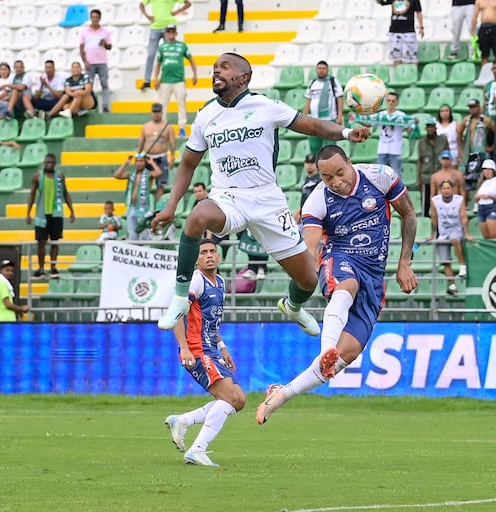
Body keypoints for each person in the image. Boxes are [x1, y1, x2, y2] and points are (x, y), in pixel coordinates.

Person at [151, 52, 372, 336]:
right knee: (197, 216)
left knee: (308, 279)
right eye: (214, 68)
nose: (216, 71)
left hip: (267, 200)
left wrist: (345, 132)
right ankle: (181, 297)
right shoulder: (206, 114)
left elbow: (313, 125)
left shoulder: (265, 106)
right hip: (228, 197)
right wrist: (170, 206)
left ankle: (292, 306)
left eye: (225, 67)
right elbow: (188, 164)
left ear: (244, 77)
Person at [255, 145, 417, 425]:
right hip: (340, 258)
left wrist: (404, 263)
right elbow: (310, 247)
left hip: (375, 276)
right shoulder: (317, 201)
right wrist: (308, 270)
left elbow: (409, 214)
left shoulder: (380, 177)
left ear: (350, 162)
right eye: (327, 177)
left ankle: (281, 395)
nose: (336, 182)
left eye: (340, 173)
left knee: (349, 353)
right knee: (347, 285)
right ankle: (326, 347)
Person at [164, 238, 245, 467]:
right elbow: (177, 313)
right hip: (197, 350)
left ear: (219, 256)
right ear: (196, 260)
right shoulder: (195, 281)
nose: (209, 255)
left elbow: (211, 321)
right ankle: (197, 450)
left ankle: (182, 420)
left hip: (212, 349)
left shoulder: (219, 281)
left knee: (238, 400)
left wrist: (222, 347)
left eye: (212, 251)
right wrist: (184, 348)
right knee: (228, 398)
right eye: (203, 253)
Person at [26, 154, 75, 278]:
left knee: (55, 241)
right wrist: (28, 212)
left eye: (51, 162)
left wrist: (71, 210)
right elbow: (32, 194)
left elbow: (66, 193)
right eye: (47, 162)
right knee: (41, 242)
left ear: (55, 163)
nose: (49, 164)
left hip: (56, 212)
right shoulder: (37, 176)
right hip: (41, 213)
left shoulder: (60, 176)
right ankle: (41, 268)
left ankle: (53, 267)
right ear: (44, 163)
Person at [154, 24, 198, 138]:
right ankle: (162, 129)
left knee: (181, 103)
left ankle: (182, 128)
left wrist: (195, 74)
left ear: (176, 33)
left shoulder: (182, 46)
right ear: (166, 33)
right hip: (165, 80)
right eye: (168, 32)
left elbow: (191, 60)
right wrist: (155, 78)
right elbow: (158, 64)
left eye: (172, 31)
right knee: (163, 105)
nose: (171, 34)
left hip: (179, 80)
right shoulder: (162, 47)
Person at [428, 179, 472, 294]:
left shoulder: (459, 200)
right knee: (445, 260)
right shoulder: (435, 201)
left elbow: (463, 217)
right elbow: (434, 217)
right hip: (443, 233)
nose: (446, 191)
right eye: (444, 188)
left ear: (452, 189)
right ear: (440, 190)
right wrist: (432, 233)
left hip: (456, 230)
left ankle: (462, 266)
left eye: (448, 188)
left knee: (454, 239)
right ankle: (452, 285)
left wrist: (466, 233)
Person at [140, 0, 192, 91]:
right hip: (155, 26)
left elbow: (188, 3)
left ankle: (166, 79)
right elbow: (141, 5)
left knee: (168, 54)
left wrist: (176, 12)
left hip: (168, 26)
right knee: (151, 55)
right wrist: (147, 16)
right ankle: (147, 80)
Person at [113, 153, 160, 241]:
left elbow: (158, 173)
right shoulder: (131, 175)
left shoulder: (149, 174)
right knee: (132, 234)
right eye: (137, 161)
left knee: (144, 234)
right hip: (132, 207)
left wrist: (152, 162)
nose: (139, 163)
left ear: (145, 162)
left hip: (143, 207)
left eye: (141, 161)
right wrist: (126, 163)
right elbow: (117, 175)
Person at [136, 103, 175, 203]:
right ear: (151, 113)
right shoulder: (145, 126)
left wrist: (172, 157)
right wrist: (138, 156)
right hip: (148, 157)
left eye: (158, 112)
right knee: (145, 183)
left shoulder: (167, 127)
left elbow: (172, 143)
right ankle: (145, 204)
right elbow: (141, 141)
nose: (156, 114)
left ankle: (157, 208)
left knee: (160, 184)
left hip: (161, 157)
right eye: (154, 112)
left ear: (162, 113)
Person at [303, 61, 344, 156]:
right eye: (319, 68)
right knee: (314, 148)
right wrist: (303, 117)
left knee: (330, 148)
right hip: (315, 120)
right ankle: (316, 168)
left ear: (327, 70)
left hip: (330, 119)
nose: (321, 71)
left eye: (323, 68)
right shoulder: (312, 83)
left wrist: (340, 116)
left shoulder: (333, 82)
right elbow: (308, 100)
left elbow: (340, 98)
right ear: (316, 70)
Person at [457, 98, 495, 193]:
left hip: (482, 151)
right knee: (465, 177)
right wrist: (461, 149)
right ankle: (465, 203)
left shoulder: (486, 120)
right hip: (470, 151)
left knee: (482, 176)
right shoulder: (466, 120)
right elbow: (459, 133)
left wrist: (492, 147)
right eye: (470, 107)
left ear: (479, 107)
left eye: (474, 107)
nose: (472, 109)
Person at [80, 9, 113, 113]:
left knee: (104, 85)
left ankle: (105, 106)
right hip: (90, 62)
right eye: (93, 17)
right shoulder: (85, 32)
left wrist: (105, 44)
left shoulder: (105, 32)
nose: (95, 19)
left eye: (96, 17)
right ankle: (91, 106)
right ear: (90, 18)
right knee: (89, 87)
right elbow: (81, 48)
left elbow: (109, 47)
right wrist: (85, 61)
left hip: (102, 62)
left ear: (99, 18)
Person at [417, 117, 449, 216]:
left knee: (441, 204)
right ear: (426, 128)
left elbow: (447, 157)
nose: (430, 129)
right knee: (425, 205)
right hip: (426, 177)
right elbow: (420, 161)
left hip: (440, 176)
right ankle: (426, 224)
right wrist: (419, 178)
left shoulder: (443, 140)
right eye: (428, 127)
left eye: (432, 126)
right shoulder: (421, 142)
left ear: (435, 127)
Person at [377, 0, 424, 66]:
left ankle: (412, 74)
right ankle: (398, 75)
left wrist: (421, 27)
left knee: (412, 58)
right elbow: (381, 2)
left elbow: (418, 12)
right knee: (396, 58)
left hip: (408, 32)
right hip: (394, 31)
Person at [470, 0, 496, 66]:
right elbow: (475, 16)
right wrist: (472, 30)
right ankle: (484, 74)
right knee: (484, 56)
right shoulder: (479, 1)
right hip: (484, 28)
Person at [474, 158, 496, 239]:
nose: (487, 172)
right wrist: (477, 197)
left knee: (494, 236)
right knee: (486, 237)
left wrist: (490, 197)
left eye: (489, 170)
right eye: (485, 170)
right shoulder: (482, 183)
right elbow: (476, 197)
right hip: (481, 208)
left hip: (492, 207)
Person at [292, 154, 321, 223]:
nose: (309, 165)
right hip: (304, 213)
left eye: (312, 163)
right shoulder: (306, 180)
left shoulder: (320, 179)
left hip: (313, 212)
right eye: (308, 162)